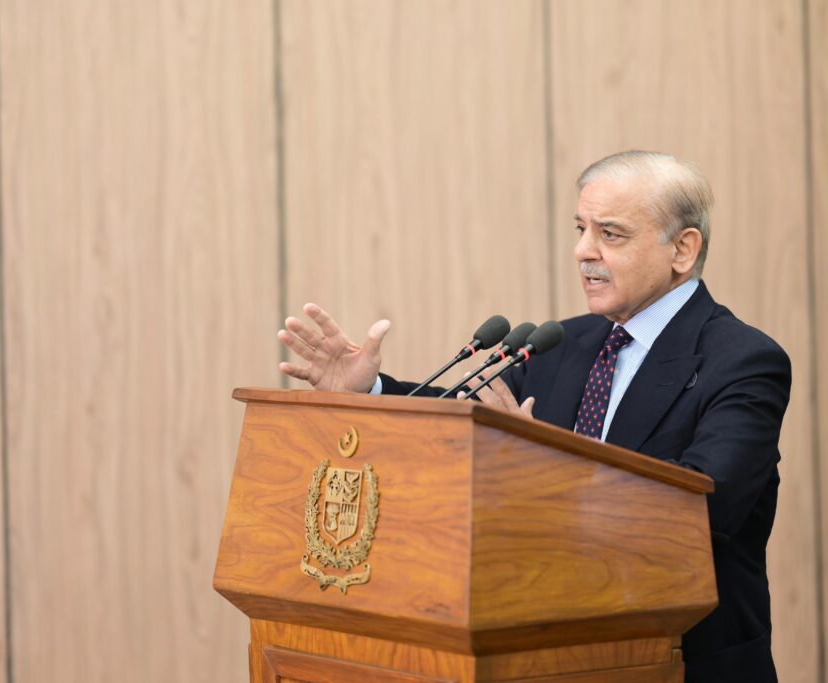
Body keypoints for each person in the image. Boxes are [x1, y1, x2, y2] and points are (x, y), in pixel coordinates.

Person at [277, 150, 790, 683]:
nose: (583, 251)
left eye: (610, 234)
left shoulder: (743, 361)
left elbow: (703, 508)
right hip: (546, 656)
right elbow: (460, 419)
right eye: (581, 229)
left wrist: (544, 469)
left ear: (683, 249)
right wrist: (370, 389)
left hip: (681, 662)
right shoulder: (563, 344)